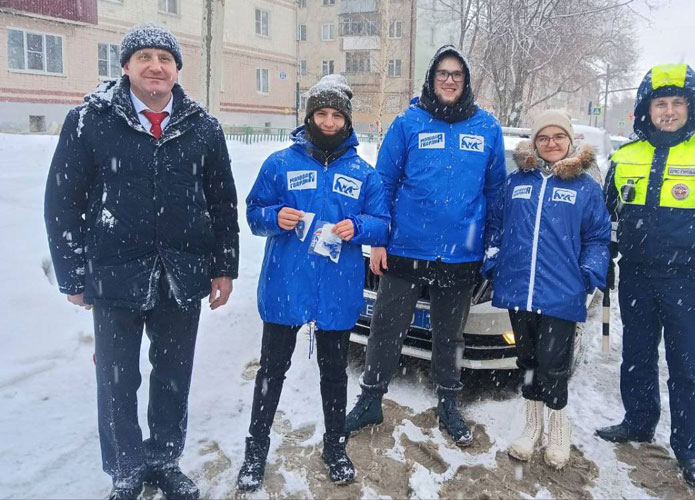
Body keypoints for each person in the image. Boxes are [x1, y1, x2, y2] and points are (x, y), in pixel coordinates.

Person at [43, 23, 238, 500]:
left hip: (182, 275)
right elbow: (63, 200)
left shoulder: (202, 126)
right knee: (117, 381)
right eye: (145, 57)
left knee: (173, 377)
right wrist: (71, 274)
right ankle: (126, 469)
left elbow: (222, 201)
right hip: (114, 276)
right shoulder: (90, 119)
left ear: (176, 69)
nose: (156, 66)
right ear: (126, 66)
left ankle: (164, 458)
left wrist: (224, 267)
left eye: (165, 58)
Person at [596, 63, 695, 489]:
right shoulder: (626, 156)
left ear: (691, 107)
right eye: (659, 103)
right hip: (638, 277)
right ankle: (638, 422)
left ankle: (688, 448)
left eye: (676, 103)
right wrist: (604, 256)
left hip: (689, 280)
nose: (667, 112)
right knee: (637, 358)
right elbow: (609, 217)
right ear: (647, 109)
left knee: (687, 367)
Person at [344, 45, 507, 446]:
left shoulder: (487, 128)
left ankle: (449, 404)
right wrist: (378, 239)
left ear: (465, 82)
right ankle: (370, 399)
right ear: (431, 79)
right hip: (406, 249)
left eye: (456, 74)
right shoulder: (408, 123)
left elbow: (497, 192)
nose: (449, 80)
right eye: (442, 74)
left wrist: (492, 246)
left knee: (449, 337)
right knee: (384, 329)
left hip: (460, 254)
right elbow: (383, 184)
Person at [236, 74, 389, 490]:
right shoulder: (280, 164)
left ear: (346, 120)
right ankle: (256, 450)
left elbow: (382, 224)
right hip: (287, 284)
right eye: (320, 113)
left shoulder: (363, 172)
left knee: (335, 373)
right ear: (308, 117)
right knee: (272, 371)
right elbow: (253, 214)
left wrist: (356, 226)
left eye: (335, 115)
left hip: (336, 288)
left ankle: (335, 446)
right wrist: (273, 217)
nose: (327, 121)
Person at [483, 110, 610, 469]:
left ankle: (558, 428)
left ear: (570, 141)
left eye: (558, 137)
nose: (551, 144)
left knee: (554, 365)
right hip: (519, 288)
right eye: (543, 138)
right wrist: (493, 260)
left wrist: (588, 273)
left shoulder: (585, 187)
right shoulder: (517, 181)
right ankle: (532, 425)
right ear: (534, 143)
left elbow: (598, 237)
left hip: (561, 291)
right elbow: (496, 223)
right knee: (527, 360)